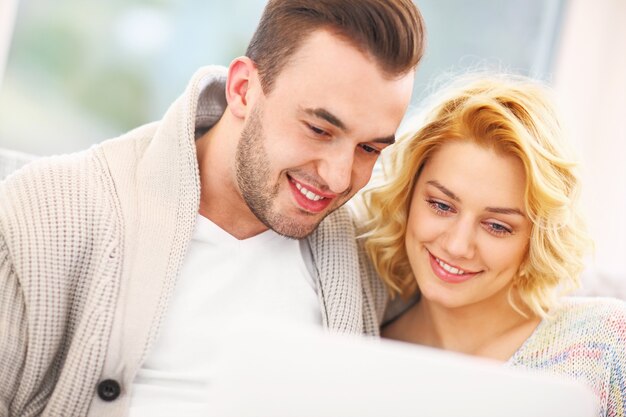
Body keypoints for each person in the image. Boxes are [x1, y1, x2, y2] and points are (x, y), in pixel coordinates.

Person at [0, 1, 426, 415]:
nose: (338, 178)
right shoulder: (48, 213)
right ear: (243, 89)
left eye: (369, 148)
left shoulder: (367, 262)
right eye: (318, 129)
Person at [359, 74, 626, 416]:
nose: (457, 245)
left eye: (497, 226)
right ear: (408, 195)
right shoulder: (363, 350)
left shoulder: (606, 346)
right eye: (441, 205)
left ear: (536, 238)